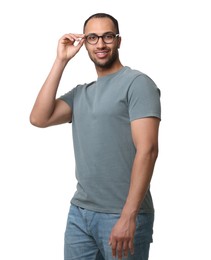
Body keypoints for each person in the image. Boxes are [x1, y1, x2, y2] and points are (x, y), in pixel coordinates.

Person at [30, 13, 161, 260]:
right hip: (80, 213)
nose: (100, 44)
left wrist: (128, 216)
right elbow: (39, 118)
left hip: (121, 214)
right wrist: (61, 60)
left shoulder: (137, 83)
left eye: (107, 36)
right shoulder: (81, 93)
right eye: (92, 38)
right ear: (85, 43)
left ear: (119, 41)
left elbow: (148, 150)